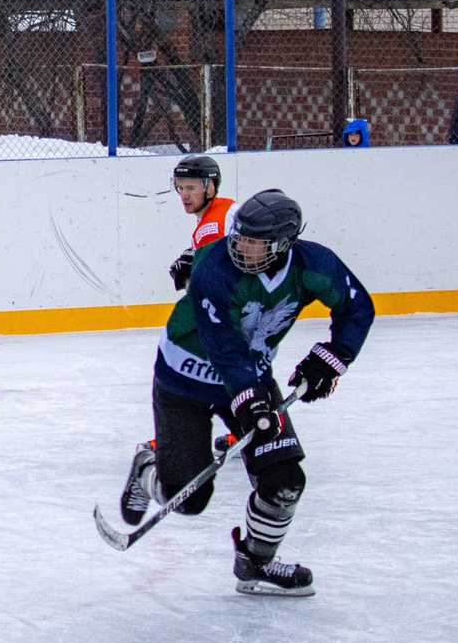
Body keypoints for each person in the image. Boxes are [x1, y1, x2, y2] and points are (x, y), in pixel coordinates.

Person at [114, 189, 375, 596]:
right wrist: (250, 399)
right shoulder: (213, 268)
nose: (241, 248)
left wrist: (334, 356)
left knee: (285, 481)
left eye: (255, 243)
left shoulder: (315, 265)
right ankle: (148, 467)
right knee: (189, 498)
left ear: (284, 245)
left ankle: (255, 563)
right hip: (185, 381)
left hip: (249, 378)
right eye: (239, 237)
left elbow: (357, 307)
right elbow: (224, 346)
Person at [168, 154, 234, 291]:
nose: (184, 195)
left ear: (210, 188)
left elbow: (218, 289)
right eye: (180, 188)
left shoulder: (211, 226)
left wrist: (191, 281)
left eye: (191, 188)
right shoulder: (223, 206)